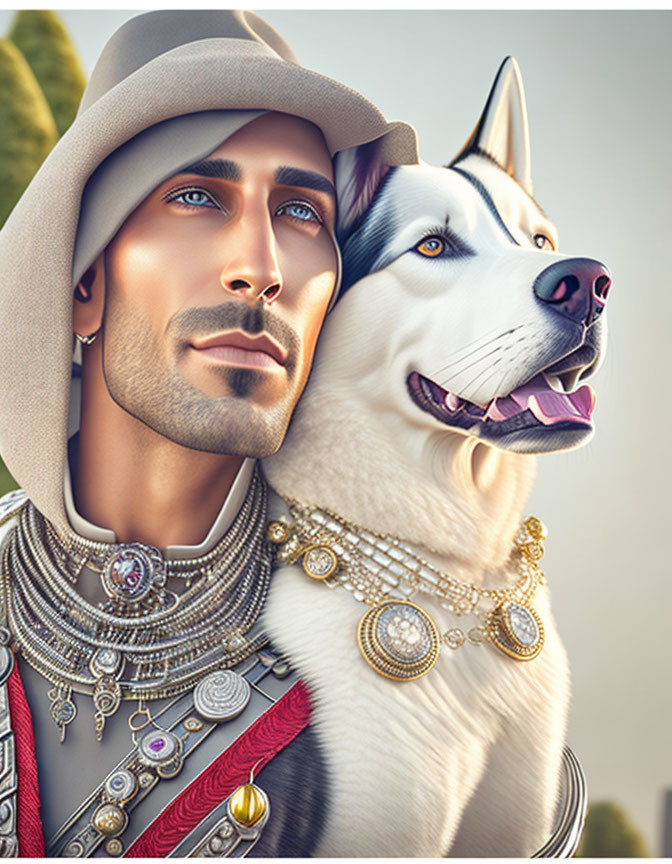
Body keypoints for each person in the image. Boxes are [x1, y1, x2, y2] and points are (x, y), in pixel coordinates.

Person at [0, 10, 418, 857]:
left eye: (303, 211)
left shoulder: (404, 659)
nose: (261, 265)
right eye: (196, 196)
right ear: (83, 281)